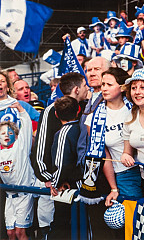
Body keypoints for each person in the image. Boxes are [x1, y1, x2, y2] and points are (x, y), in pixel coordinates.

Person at [31, 73, 89, 239]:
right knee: (62, 225)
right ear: (77, 89)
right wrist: (51, 179)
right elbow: (40, 149)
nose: (87, 89)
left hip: (84, 184)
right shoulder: (51, 110)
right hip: (61, 186)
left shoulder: (87, 107)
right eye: (85, 86)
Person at [84, 68, 142, 206]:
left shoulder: (137, 108)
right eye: (103, 84)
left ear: (122, 88)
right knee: (133, 217)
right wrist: (114, 187)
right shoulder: (93, 118)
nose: (104, 88)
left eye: (109, 85)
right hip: (125, 174)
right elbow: (104, 155)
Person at [50, 96, 83, 240]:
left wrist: (55, 183)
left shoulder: (63, 133)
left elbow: (60, 162)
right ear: (78, 111)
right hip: (81, 183)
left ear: (56, 114)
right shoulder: (82, 128)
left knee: (62, 226)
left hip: (71, 187)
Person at [0, 101, 34, 240]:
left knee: (20, 233)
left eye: (9, 132)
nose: (6, 135)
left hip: (23, 196)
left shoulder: (21, 147)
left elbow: (26, 126)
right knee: (10, 233)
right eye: (2, 133)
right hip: (9, 197)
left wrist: (20, 109)